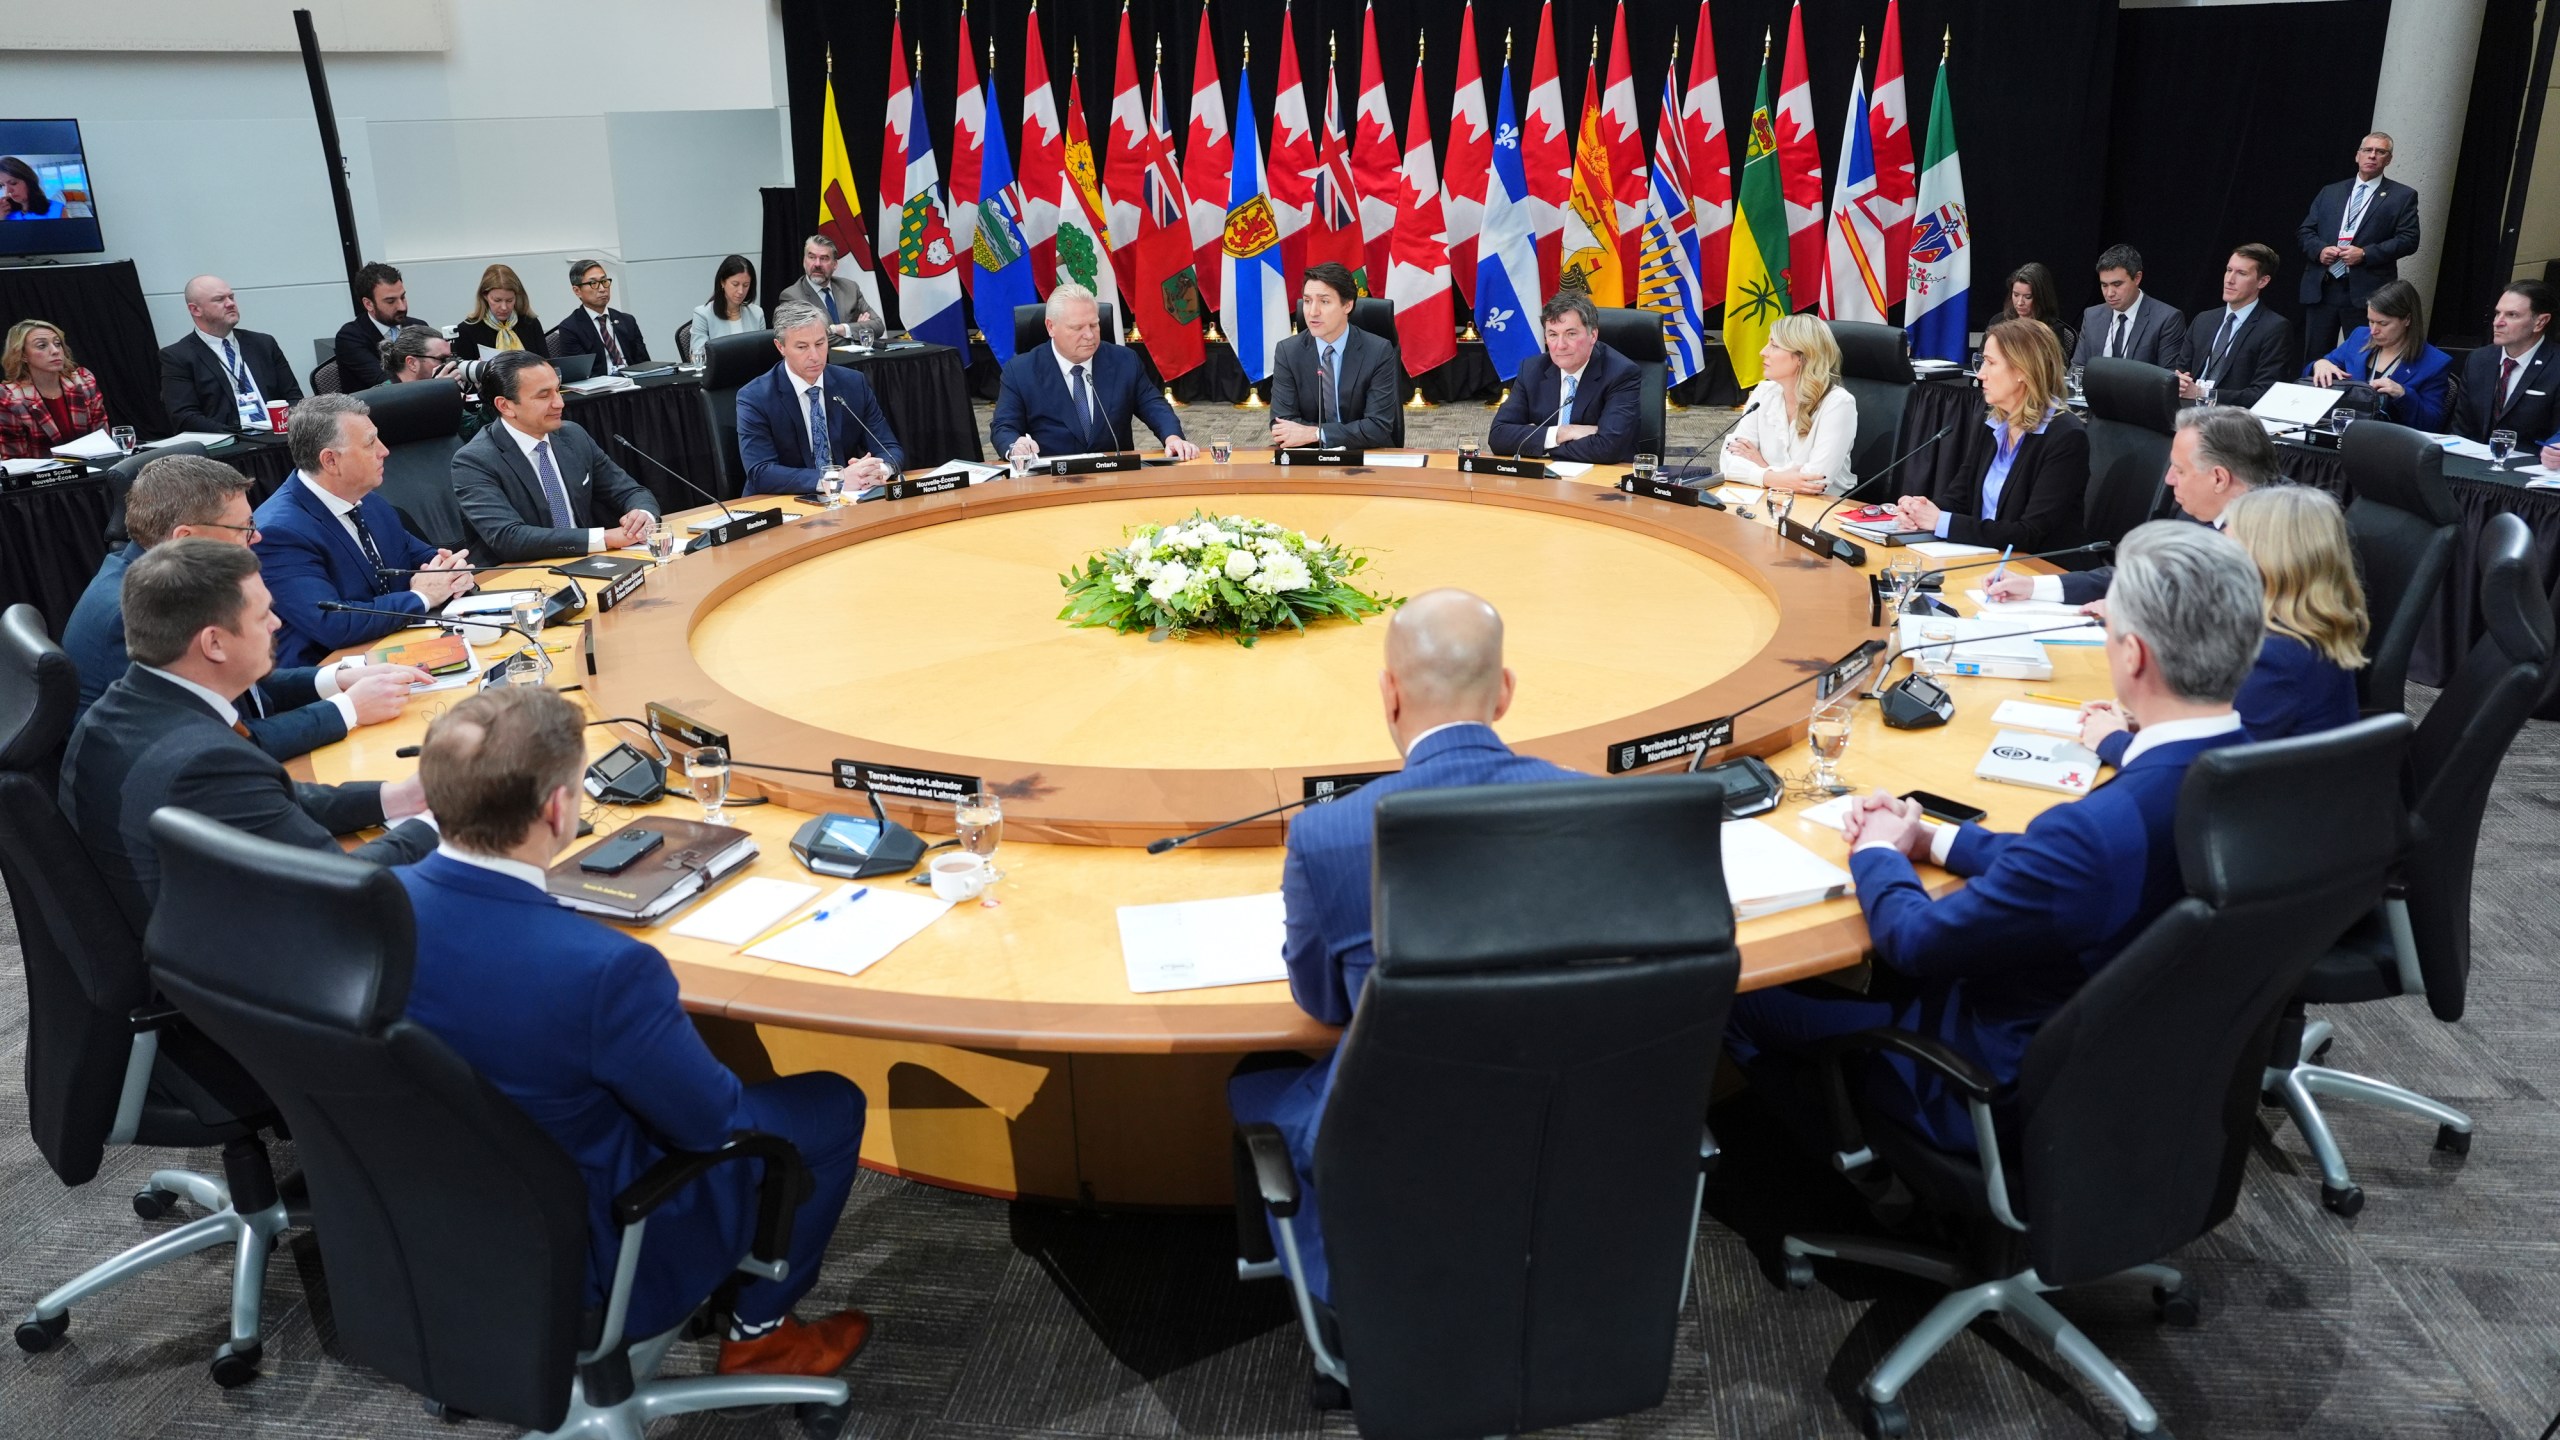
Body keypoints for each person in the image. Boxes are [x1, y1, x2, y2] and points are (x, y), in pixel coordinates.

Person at [1726, 521, 2262, 1154]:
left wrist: (1875, 849)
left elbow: (1916, 942)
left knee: (1734, 996)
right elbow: (2067, 869)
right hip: (2150, 1068)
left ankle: (1830, 1167)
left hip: (1995, 1080)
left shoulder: (2098, 829)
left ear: (2134, 654)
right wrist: (1931, 840)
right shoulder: (2255, 766)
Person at [396, 686, 873, 1377]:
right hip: (597, 1237)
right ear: (560, 809)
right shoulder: (604, 970)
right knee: (828, 1105)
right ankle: (762, 1332)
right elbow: (714, 1126)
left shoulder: (373, 904)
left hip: (431, 1210)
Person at [1225, 589, 1578, 1301]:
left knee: (1255, 1080)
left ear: (1389, 695)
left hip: (1401, 1145)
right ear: (1505, 693)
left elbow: (1319, 1003)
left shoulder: (1329, 836)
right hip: (1565, 1136)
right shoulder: (1595, 806)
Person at [57, 540, 439, 927]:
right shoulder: (207, 761)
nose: (277, 623)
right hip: (241, 963)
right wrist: (441, 821)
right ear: (214, 643)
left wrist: (396, 798)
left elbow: (269, 802)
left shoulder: (124, 704)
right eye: (263, 616)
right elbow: (343, 884)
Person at [61, 453, 427, 755]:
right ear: (186, 538)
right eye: (243, 528)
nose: (258, 536)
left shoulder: (163, 579)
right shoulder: (136, 612)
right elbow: (231, 739)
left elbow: (249, 692)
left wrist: (338, 679)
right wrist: (348, 709)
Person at [2080, 485, 2364, 766]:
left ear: (2266, 562)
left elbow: (2203, 770)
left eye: (2230, 546)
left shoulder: (2277, 658)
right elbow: (2226, 725)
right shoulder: (2303, 631)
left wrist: (2112, 740)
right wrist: (2151, 720)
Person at [252, 393, 477, 666]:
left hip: (397, 647)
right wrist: (422, 596)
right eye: (371, 443)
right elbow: (332, 622)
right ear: (330, 461)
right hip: (333, 672)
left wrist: (452, 574)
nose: (384, 450)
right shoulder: (278, 532)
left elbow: (427, 560)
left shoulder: (368, 501)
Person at [1987, 404, 2274, 608]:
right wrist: (2034, 586)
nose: (2169, 479)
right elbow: (2139, 576)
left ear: (2219, 478)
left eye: (2180, 470)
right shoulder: (2195, 510)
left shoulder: (2280, 538)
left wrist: (2135, 617)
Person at [1891, 316, 2087, 550]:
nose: (1981, 374)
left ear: (2022, 370)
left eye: (1990, 363)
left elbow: (2030, 534)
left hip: (2036, 569)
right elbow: (1959, 499)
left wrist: (1941, 521)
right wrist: (1921, 510)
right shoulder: (1995, 424)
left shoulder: (2065, 437)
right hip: (1985, 557)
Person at [452, 351, 660, 560]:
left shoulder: (573, 435)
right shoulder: (474, 461)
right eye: (544, 396)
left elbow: (629, 491)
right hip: (520, 574)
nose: (559, 403)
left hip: (588, 562)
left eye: (558, 390)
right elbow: (508, 538)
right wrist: (604, 539)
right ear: (505, 406)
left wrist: (643, 515)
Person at [991, 283, 1197, 462]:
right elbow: (1003, 426)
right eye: (1077, 328)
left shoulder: (1124, 361)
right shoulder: (1021, 371)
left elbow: (1153, 405)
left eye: (1094, 325)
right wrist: (1014, 445)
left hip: (1115, 477)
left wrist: (1172, 437)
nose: (1089, 335)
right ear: (1051, 327)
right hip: (1052, 481)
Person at [737, 303, 904, 496]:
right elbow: (760, 472)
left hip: (845, 500)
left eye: (820, 343)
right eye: (802, 347)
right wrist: (835, 479)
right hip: (782, 503)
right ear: (780, 347)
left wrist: (879, 470)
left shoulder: (853, 384)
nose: (815, 356)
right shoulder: (755, 397)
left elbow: (889, 448)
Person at [2297, 133, 2423, 358]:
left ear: (2389, 159)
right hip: (2323, 287)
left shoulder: (2402, 196)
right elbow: (2306, 231)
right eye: (2368, 150)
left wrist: (2365, 253)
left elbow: (2409, 240)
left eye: (2380, 152)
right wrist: (2319, 250)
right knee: (2315, 357)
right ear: (2357, 156)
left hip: (2367, 293)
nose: (2372, 156)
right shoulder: (2331, 192)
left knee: (2362, 356)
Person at [1485, 293, 1642, 463]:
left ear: (1593, 336)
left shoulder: (1621, 373)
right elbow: (1498, 436)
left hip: (1601, 476)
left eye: (1571, 334)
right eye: (1553, 335)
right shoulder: (1532, 370)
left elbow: (1608, 447)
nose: (1560, 345)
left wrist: (1539, 443)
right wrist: (1561, 433)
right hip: (1547, 477)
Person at [1720, 313, 1859, 494]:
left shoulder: (1838, 404)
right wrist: (1772, 477)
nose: (1763, 351)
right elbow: (1728, 461)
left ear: (1802, 357)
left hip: (1821, 509)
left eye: (1774, 345)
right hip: (1767, 500)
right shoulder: (1764, 393)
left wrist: (1761, 465)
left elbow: (1815, 482)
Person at [1268, 262, 1400, 449]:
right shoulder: (1288, 351)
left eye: (1324, 301)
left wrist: (1316, 433)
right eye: (1307, 301)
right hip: (1307, 454)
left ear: (1347, 305)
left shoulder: (1378, 351)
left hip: (1365, 454)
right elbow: (1281, 425)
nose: (1313, 312)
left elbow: (1377, 427)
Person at [159, 275, 303, 435]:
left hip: (277, 437)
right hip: (228, 443)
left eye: (231, 297)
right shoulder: (177, 356)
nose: (230, 304)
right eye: (219, 299)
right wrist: (236, 434)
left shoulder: (263, 344)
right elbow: (184, 417)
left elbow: (295, 398)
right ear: (195, 309)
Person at [2305, 278, 2452, 432]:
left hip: (2389, 441)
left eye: (2383, 324)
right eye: (2370, 321)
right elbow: (2318, 372)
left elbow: (2431, 424)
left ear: (2407, 319)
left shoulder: (2435, 363)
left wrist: (2403, 394)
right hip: (2343, 432)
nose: (2373, 330)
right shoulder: (2360, 337)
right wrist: (2319, 364)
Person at [2178, 244, 2298, 408]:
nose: (2229, 279)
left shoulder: (2275, 328)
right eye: (2229, 270)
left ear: (2262, 281)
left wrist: (2203, 393)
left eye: (2241, 273)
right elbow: (2180, 370)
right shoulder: (2204, 320)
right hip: (2186, 410)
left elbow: (2263, 393)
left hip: (2233, 420)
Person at [2459, 280, 2560, 447]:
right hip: (2473, 466)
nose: (2497, 322)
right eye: (2498, 313)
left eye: (2512, 315)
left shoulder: (2555, 366)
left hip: (2532, 467)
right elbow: (2461, 430)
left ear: (2540, 322)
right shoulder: (2479, 360)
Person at [0, 318, 112, 459]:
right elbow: (15, 462)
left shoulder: (84, 381)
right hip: (45, 478)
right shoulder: (10, 397)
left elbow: (103, 442)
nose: (55, 351)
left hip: (93, 471)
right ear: (22, 355)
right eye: (42, 346)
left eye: (58, 344)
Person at [2070, 244, 2188, 370]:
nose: (2109, 293)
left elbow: (2167, 379)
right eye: (2104, 285)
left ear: (2137, 278)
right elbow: (2077, 369)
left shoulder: (2167, 319)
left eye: (2117, 284)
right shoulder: (2092, 316)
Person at [334, 261, 432, 392]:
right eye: (391, 301)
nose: (402, 307)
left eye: (402, 297)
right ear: (368, 304)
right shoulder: (350, 337)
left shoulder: (418, 326)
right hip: (373, 408)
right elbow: (385, 383)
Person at [777, 234, 882, 343]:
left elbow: (878, 326)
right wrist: (857, 331)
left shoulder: (850, 288)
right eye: (811, 257)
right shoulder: (792, 296)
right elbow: (811, 340)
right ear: (804, 261)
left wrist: (839, 329)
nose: (817, 264)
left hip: (856, 359)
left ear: (835, 264)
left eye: (824, 258)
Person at [550, 259, 649, 374]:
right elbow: (580, 373)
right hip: (601, 388)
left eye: (604, 281)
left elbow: (644, 363)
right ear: (577, 291)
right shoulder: (570, 328)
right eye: (593, 283)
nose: (602, 289)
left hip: (635, 383)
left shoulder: (627, 320)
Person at [454, 263, 546, 359]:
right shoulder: (466, 330)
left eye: (510, 300)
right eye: (497, 300)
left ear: (517, 297)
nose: (504, 307)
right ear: (484, 296)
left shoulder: (530, 323)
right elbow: (462, 372)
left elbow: (548, 365)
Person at [689, 254, 767, 361]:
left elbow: (764, 353)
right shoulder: (702, 314)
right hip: (719, 375)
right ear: (722, 282)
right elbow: (698, 356)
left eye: (745, 285)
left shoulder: (757, 313)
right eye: (735, 284)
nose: (740, 291)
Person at [2004, 262, 2078, 360]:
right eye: (2016, 295)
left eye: (2028, 297)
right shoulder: (1999, 321)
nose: (2020, 302)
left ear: (2041, 298)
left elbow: (2055, 370)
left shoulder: (2053, 330)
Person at [0, 156, 83, 220]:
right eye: (2, 185)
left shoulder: (56, 210)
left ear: (29, 182)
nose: (8, 191)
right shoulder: (5, 213)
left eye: (13, 183)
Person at [378, 325, 457, 386]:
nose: (449, 365)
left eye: (451, 358)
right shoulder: (381, 399)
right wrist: (437, 392)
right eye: (443, 359)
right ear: (412, 363)